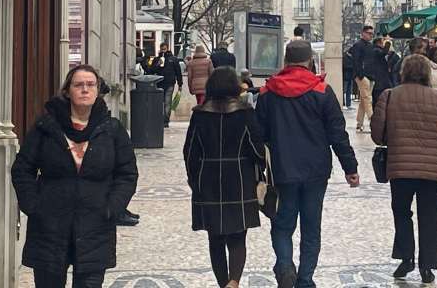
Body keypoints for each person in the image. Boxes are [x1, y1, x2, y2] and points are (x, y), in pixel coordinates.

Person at [11, 65, 139, 288]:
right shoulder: (46, 127)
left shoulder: (111, 130)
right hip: (50, 226)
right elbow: (22, 169)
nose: (84, 89)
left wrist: (112, 207)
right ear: (67, 91)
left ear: (98, 90)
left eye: (90, 85)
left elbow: (127, 173)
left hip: (95, 225)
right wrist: (33, 205)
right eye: (78, 84)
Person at [256, 40, 360, 288]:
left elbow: (258, 135)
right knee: (311, 228)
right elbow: (337, 134)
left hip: (282, 170)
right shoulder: (322, 91)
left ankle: (284, 266)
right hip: (316, 171)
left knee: (282, 225)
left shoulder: (267, 93)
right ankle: (305, 279)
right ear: (309, 62)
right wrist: (350, 168)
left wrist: (257, 168)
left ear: (285, 62)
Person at [371, 55, 437, 284]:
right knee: (429, 217)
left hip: (400, 168)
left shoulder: (389, 96)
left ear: (403, 72)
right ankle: (427, 267)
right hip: (431, 170)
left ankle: (406, 258)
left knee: (402, 213)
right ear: (427, 73)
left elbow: (377, 135)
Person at [184, 67, 266, 288]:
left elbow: (190, 151)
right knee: (238, 237)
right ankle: (234, 281)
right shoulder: (245, 112)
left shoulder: (200, 114)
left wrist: (194, 179)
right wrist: (261, 169)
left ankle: (223, 284)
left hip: (208, 181)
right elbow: (257, 148)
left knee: (215, 238)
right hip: (240, 179)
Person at [148, 42, 183, 126]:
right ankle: (160, 119)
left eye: (164, 49)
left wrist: (180, 83)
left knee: (167, 102)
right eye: (162, 49)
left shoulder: (173, 59)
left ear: (168, 48)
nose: (163, 51)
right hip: (159, 83)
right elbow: (151, 71)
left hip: (169, 83)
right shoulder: (157, 59)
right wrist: (157, 64)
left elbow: (178, 72)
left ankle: (166, 120)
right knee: (160, 102)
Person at [351, 26, 377, 132]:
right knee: (367, 98)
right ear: (363, 33)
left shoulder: (370, 46)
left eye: (372, 33)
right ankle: (373, 120)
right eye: (369, 33)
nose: (371, 35)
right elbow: (356, 61)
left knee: (363, 100)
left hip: (370, 75)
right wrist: (360, 75)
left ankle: (359, 123)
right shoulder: (358, 45)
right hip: (362, 76)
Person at [368, 38, 395, 103]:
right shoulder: (376, 50)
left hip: (381, 78)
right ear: (378, 43)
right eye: (383, 42)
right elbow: (383, 53)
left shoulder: (375, 50)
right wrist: (388, 42)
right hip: (380, 79)